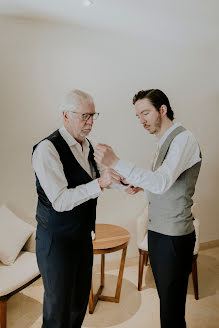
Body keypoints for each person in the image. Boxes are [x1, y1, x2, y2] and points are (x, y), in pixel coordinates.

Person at [94, 89, 202, 328]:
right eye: (138, 116)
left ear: (162, 110)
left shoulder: (183, 139)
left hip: (174, 236)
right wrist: (139, 186)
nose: (141, 120)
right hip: (158, 233)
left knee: (171, 311)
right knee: (167, 303)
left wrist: (116, 162)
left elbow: (162, 181)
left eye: (145, 113)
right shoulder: (163, 142)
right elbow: (162, 184)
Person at [32, 90, 122, 328]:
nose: (90, 122)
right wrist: (100, 183)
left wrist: (122, 184)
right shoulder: (47, 150)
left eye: (93, 116)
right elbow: (60, 200)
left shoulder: (86, 145)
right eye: (85, 116)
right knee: (58, 309)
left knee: (78, 303)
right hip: (56, 241)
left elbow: (94, 178)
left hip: (82, 236)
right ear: (65, 115)